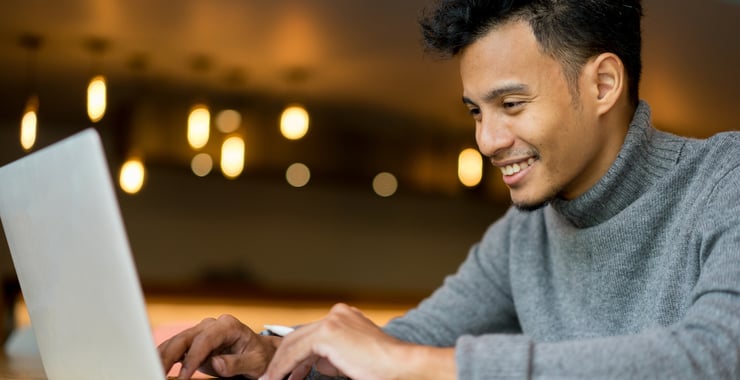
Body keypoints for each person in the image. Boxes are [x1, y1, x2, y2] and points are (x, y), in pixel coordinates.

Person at [158, 0, 740, 378]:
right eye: (475, 112)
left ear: (604, 83)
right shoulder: (523, 236)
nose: (486, 140)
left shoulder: (725, 180)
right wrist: (279, 359)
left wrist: (414, 363)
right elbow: (416, 339)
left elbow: (717, 355)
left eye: (511, 104)